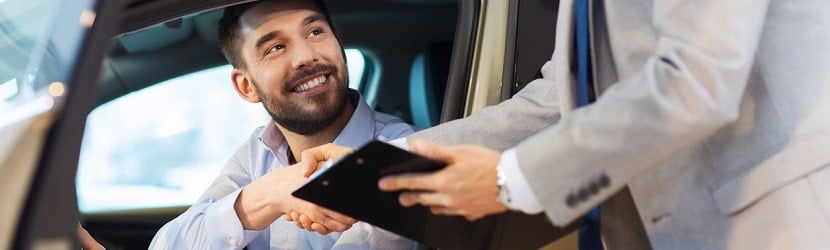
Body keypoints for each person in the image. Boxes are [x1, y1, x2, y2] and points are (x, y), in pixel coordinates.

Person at [299, 0, 830, 248]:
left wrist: (509, 180)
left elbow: (696, 78)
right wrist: (389, 161)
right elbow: (560, 98)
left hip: (775, 224)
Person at [148, 0, 418, 249]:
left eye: (315, 32)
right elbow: (167, 244)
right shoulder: (258, 152)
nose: (305, 56)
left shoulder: (402, 150)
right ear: (247, 87)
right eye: (276, 48)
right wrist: (268, 194)